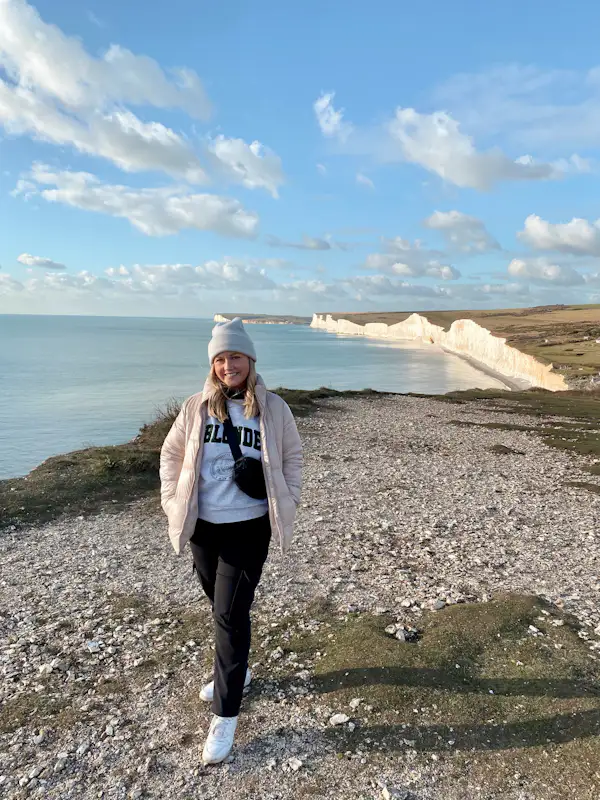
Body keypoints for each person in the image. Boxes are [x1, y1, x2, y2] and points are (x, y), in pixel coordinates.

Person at [159, 317, 303, 765]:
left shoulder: (274, 409)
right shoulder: (196, 407)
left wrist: (286, 496)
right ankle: (237, 672)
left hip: (248, 527)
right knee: (221, 607)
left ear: (250, 360)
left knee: (229, 613)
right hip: (204, 527)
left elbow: (293, 457)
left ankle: (225, 714)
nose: (228, 366)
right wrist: (172, 501)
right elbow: (171, 454)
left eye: (235, 356)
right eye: (220, 359)